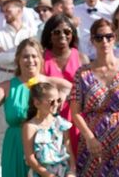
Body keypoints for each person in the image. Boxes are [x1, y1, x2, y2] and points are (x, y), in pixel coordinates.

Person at [0, 38, 72, 177]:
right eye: (25, 56)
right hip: (16, 145)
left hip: (47, 148)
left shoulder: (51, 84)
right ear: (18, 60)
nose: (30, 60)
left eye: (34, 56)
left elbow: (75, 90)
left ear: (40, 59)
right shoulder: (9, 86)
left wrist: (61, 97)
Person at [71, 18, 119, 176]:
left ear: (114, 37)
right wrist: (89, 137)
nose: (104, 41)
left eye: (108, 36)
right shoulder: (82, 73)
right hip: (94, 141)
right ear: (92, 41)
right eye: (99, 37)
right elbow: (75, 112)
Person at [0, 0, 37, 169]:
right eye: (4, 11)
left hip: (28, 80)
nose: (5, 14)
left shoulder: (30, 32)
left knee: (30, 118)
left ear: (20, 11)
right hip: (5, 76)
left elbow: (35, 55)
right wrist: (20, 55)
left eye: (9, 10)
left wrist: (11, 54)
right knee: (2, 124)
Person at [41, 14, 89, 157]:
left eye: (67, 32)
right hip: (48, 116)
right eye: (56, 32)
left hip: (77, 117)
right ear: (49, 35)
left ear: (73, 34)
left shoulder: (82, 58)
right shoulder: (41, 58)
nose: (62, 35)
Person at [22, 82, 76, 177]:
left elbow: (69, 151)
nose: (56, 104)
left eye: (58, 100)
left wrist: (72, 171)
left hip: (63, 171)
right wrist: (48, 175)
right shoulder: (30, 127)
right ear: (37, 103)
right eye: (51, 101)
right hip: (42, 173)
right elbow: (30, 158)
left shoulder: (61, 123)